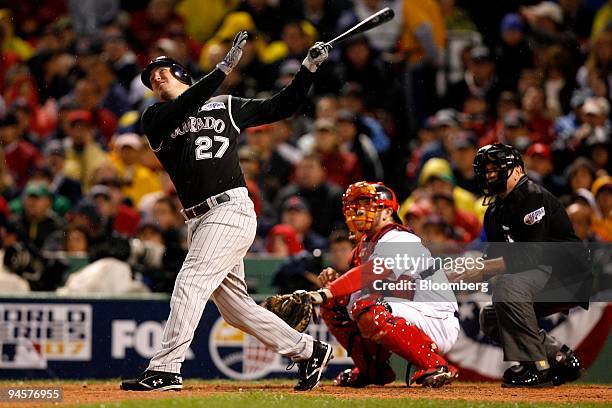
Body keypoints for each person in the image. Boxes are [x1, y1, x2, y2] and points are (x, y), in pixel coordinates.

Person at [120, 32, 333, 392]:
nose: (155, 77)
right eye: (150, 76)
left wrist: (308, 69)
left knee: (190, 282)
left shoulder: (225, 105)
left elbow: (280, 107)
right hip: (199, 219)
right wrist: (222, 69)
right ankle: (307, 350)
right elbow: (185, 106)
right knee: (235, 310)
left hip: (229, 209)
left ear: (182, 73)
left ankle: (166, 369)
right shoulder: (155, 116)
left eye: (162, 70)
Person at [446, 144, 590, 387]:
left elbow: (531, 255)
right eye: (486, 170)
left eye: (496, 169)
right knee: (490, 318)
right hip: (540, 276)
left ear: (517, 170)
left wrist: (482, 269)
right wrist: (459, 274)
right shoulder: (493, 211)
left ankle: (537, 366)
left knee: (508, 286)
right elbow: (494, 261)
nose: (490, 175)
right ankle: (558, 357)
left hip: (568, 274)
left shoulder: (532, 196)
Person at [309, 181, 460, 388]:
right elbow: (359, 293)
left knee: (367, 308)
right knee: (336, 304)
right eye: (356, 207)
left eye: (367, 206)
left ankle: (435, 365)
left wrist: (327, 291)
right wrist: (336, 289)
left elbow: (372, 272)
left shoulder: (400, 238)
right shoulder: (365, 246)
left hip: (436, 318)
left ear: (387, 211)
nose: (358, 212)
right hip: (404, 309)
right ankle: (372, 370)